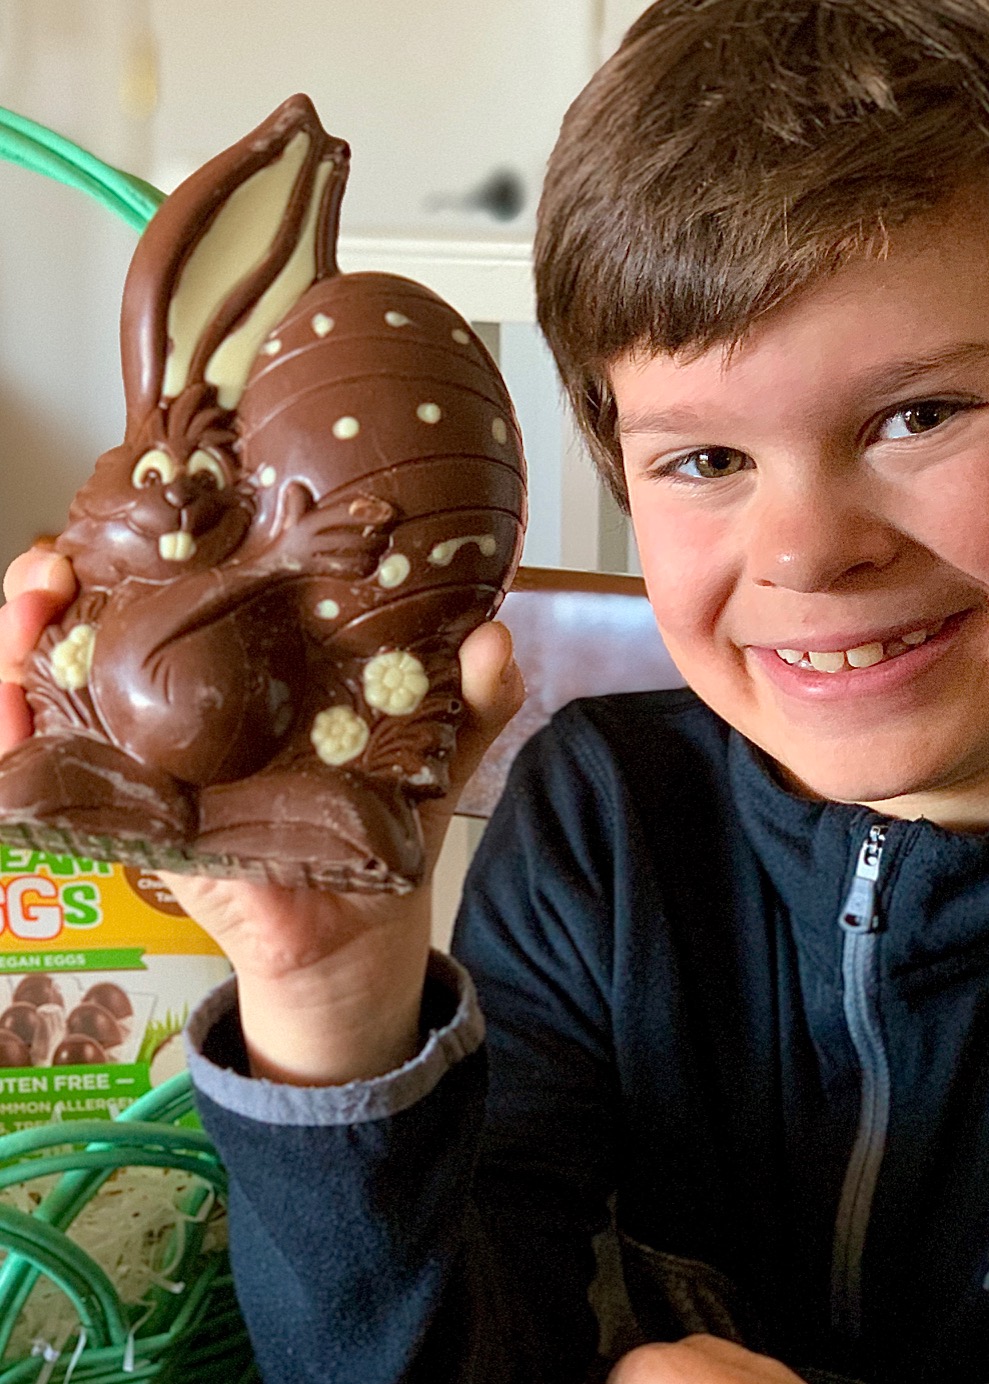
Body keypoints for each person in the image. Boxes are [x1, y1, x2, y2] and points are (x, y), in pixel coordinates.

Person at [4, 0, 989, 1378]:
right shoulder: (605, 819)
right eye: (704, 460)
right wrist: (326, 995)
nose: (805, 551)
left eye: (918, 415)